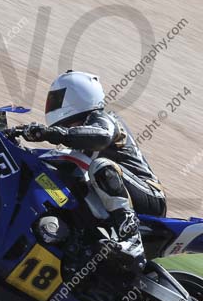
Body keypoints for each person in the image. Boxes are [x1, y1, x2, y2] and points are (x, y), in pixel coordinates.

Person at [20, 70, 166, 271]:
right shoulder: (78, 138)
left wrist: (54, 133)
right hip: (116, 195)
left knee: (101, 166)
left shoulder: (104, 119)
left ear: (78, 96)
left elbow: (101, 136)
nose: (52, 104)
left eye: (57, 99)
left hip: (149, 195)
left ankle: (132, 239)